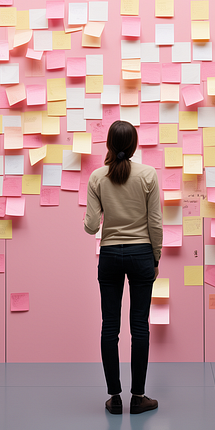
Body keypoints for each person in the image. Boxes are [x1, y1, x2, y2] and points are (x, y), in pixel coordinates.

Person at [84, 120, 163, 415]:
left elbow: (91, 226)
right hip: (142, 254)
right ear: (134, 145)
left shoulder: (97, 178)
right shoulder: (148, 175)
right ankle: (138, 396)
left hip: (109, 257)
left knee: (110, 327)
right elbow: (155, 222)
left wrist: (92, 217)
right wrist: (155, 258)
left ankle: (115, 398)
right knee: (139, 327)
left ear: (108, 144)